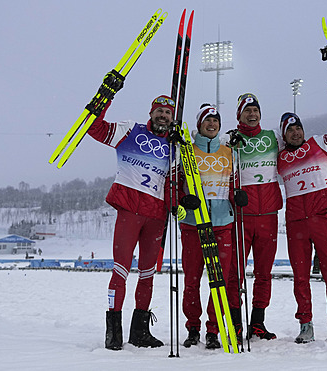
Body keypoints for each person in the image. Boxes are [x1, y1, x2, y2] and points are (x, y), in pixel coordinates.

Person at [88, 95, 176, 351]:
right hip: (130, 211)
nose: (163, 116)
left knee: (148, 275)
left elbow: (176, 184)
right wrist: (104, 98)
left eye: (168, 113)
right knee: (121, 271)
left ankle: (140, 331)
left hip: (156, 217)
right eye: (159, 111)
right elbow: (95, 128)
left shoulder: (175, 146)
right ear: (151, 113)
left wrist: (179, 203)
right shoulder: (130, 131)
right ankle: (113, 332)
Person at [276, 100, 327, 344]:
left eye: (298, 128)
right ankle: (305, 325)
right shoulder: (279, 158)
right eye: (290, 129)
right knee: (300, 276)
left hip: (321, 218)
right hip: (295, 223)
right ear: (284, 135)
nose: (295, 132)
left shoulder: (319, 144)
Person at [227, 93, 284, 341]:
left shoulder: (273, 138)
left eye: (255, 111)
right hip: (242, 215)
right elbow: (222, 175)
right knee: (234, 273)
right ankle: (236, 323)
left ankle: (258, 323)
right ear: (239, 115)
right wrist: (232, 194)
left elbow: (298, 149)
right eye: (247, 111)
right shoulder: (231, 142)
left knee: (264, 273)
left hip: (269, 215)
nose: (252, 114)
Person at [179, 104, 235, 350]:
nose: (211, 124)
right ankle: (193, 327)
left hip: (222, 223)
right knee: (192, 280)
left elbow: (234, 183)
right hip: (193, 224)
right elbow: (176, 182)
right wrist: (183, 199)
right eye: (207, 120)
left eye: (215, 120)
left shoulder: (228, 152)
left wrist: (238, 197)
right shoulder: (187, 151)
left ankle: (214, 328)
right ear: (199, 124)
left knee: (219, 280)